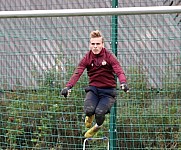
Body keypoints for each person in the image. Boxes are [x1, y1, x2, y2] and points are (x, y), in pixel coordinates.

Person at [61, 30, 129, 138]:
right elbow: (77, 72)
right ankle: (89, 116)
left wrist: (123, 82)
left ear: (102, 44)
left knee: (99, 113)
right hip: (93, 90)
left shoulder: (109, 56)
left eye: (98, 44)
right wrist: (68, 87)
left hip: (108, 92)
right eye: (93, 44)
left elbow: (119, 70)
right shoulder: (87, 57)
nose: (95, 46)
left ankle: (96, 127)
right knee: (89, 110)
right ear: (90, 44)